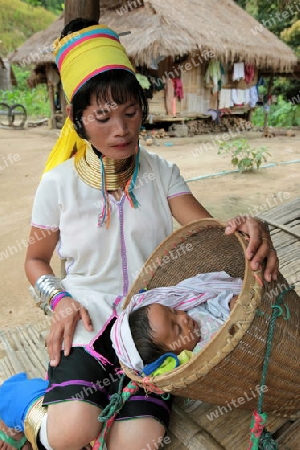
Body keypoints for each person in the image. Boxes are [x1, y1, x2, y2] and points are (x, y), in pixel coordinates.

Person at [0, 16, 278, 450]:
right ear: (77, 119)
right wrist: (59, 299)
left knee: (137, 444)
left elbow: (210, 231)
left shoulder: (162, 173)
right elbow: (34, 260)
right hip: (88, 324)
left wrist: (248, 227)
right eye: (104, 117)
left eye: (131, 113)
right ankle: (19, 396)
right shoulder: (57, 184)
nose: (121, 129)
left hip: (155, 330)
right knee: (71, 435)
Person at [111, 271, 242, 376]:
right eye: (178, 329)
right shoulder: (195, 359)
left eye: (174, 311)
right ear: (170, 355)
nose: (183, 318)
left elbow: (215, 304)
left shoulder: (196, 313)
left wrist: (229, 303)